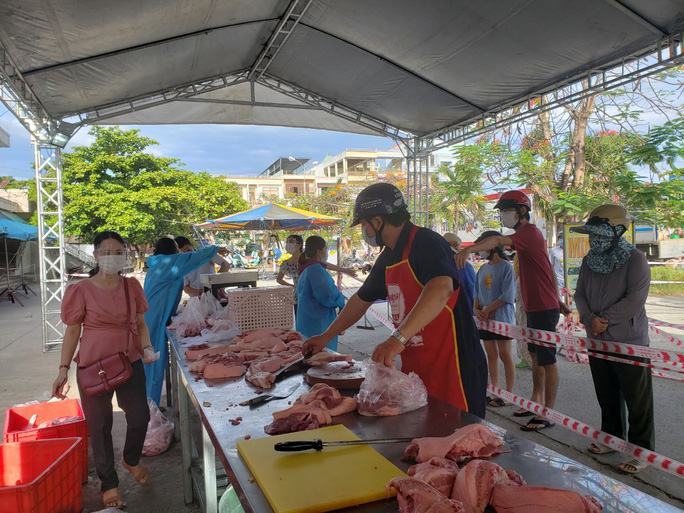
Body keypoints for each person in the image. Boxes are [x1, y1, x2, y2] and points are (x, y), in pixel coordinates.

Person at [302, 184, 487, 417]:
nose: (364, 231)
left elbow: (441, 288)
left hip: (455, 366)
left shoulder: (426, 242)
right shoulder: (389, 256)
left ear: (378, 221)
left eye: (364, 224)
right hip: (417, 368)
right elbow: (361, 299)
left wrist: (397, 338)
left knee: (460, 440)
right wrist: (326, 336)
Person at [52, 231, 155, 509]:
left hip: (129, 359)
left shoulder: (131, 286)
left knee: (140, 416)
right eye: (106, 252)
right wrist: (63, 369)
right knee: (99, 427)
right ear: (96, 255)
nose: (112, 257)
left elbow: (141, 323)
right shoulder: (81, 290)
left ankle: (130, 459)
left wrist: (146, 348)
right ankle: (109, 485)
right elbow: (73, 330)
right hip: (93, 366)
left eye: (118, 252)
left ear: (125, 255)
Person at [456, 190, 569, 430]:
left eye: (506, 211)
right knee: (536, 358)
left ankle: (547, 413)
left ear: (521, 212)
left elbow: (497, 240)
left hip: (542, 307)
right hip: (535, 306)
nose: (504, 216)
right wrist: (557, 299)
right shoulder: (525, 237)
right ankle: (535, 403)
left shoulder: (529, 233)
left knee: (547, 361)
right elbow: (545, 269)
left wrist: (468, 249)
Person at [572, 205, 654, 474]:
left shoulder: (636, 260)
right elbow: (580, 294)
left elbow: (635, 300)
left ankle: (642, 451)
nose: (594, 241)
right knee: (606, 394)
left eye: (600, 235)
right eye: (591, 235)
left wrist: (602, 319)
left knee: (637, 399)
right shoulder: (588, 261)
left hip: (629, 341)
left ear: (618, 232)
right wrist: (588, 318)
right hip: (597, 340)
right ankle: (611, 438)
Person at [143, 237, 217, 404]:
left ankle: (150, 404)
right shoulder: (168, 263)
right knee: (154, 359)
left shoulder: (158, 263)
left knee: (151, 360)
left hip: (153, 315)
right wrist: (215, 249)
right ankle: (151, 407)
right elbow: (195, 257)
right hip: (154, 318)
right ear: (173, 250)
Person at [473, 230, 516, 406]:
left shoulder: (507, 268)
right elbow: (476, 292)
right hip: (485, 320)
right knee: (491, 355)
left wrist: (488, 309)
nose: (480, 251)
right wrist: (476, 310)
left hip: (502, 320)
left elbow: (508, 295)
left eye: (482, 247)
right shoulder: (482, 269)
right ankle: (494, 390)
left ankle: (508, 393)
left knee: (505, 354)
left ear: (493, 247)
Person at [296, 236, 346, 350]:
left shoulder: (306, 269)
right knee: (323, 358)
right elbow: (328, 296)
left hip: (306, 322)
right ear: (319, 251)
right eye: (326, 249)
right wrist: (341, 300)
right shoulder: (315, 270)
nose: (326, 252)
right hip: (318, 326)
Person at [443, 232, 476, 310]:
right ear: (454, 244)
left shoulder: (439, 265)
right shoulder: (464, 265)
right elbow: (473, 290)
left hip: (447, 308)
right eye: (459, 246)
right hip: (464, 307)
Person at [277, 234, 304, 316]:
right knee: (299, 321)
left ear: (299, 244)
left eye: (291, 241)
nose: (288, 244)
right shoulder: (285, 263)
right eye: (287, 242)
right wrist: (292, 286)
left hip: (311, 295)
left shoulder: (307, 259)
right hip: (297, 297)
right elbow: (279, 279)